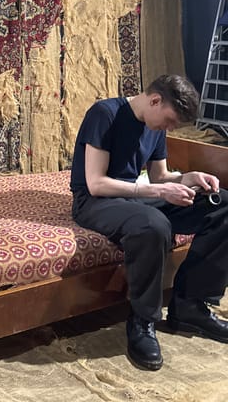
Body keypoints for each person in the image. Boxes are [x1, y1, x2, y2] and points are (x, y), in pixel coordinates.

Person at [70, 74, 228, 370]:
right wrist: (156, 191)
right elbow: (95, 184)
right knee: (154, 225)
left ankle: (190, 305)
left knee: (224, 205)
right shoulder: (105, 114)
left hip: (134, 196)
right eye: (169, 121)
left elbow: (160, 177)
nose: (169, 129)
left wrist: (188, 178)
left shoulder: (155, 125)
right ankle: (143, 320)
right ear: (155, 100)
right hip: (94, 201)